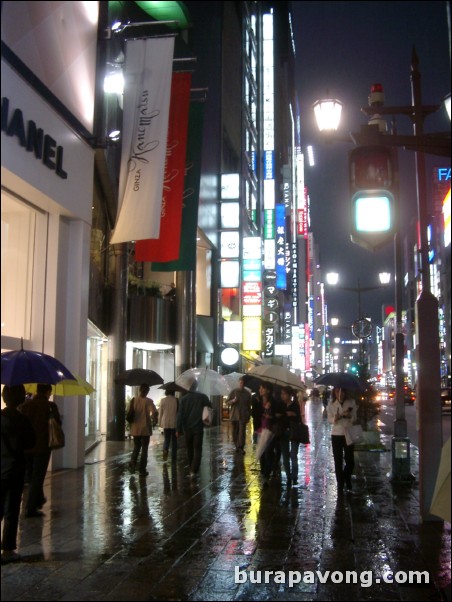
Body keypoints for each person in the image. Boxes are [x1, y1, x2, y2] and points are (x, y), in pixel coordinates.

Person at [1, 385, 36, 564]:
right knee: (12, 510)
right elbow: (31, 443)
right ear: (21, 398)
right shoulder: (23, 420)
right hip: (15, 470)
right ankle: (7, 550)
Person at [20, 383, 62, 517]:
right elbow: (58, 423)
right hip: (42, 446)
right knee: (38, 476)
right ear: (47, 391)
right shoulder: (50, 406)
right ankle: (30, 507)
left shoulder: (26, 406)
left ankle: (39, 499)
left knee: (32, 475)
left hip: (27, 447)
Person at [176, 381, 212, 478]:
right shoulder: (202, 397)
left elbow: (180, 415)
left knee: (189, 449)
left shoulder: (183, 399)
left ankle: (192, 467)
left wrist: (178, 429)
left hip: (187, 429)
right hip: (198, 428)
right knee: (197, 449)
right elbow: (210, 405)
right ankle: (194, 470)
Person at [327, 387, 357, 493]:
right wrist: (335, 418)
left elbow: (355, 418)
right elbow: (329, 419)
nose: (340, 393)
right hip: (336, 434)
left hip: (348, 434)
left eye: (342, 390)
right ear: (334, 393)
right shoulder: (331, 404)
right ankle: (340, 483)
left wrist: (349, 416)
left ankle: (346, 477)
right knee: (338, 460)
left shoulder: (351, 403)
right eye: (337, 391)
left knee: (350, 460)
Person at [128, 384, 157, 476]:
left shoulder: (133, 400)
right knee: (144, 448)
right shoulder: (149, 401)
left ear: (140, 390)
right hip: (145, 429)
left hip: (135, 428)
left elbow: (128, 412)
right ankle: (142, 469)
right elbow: (155, 412)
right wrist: (154, 419)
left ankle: (133, 463)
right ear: (147, 391)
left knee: (137, 446)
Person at [280, 386, 302, 488]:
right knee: (285, 456)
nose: (282, 396)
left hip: (294, 433)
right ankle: (288, 476)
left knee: (293, 455)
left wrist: (292, 414)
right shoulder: (281, 405)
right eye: (282, 394)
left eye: (284, 394)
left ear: (289, 395)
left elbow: (299, 419)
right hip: (283, 433)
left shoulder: (295, 405)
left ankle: (294, 477)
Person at [226, 377, 252, 453]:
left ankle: (240, 447)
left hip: (243, 415)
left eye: (243, 383)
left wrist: (249, 416)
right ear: (238, 383)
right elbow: (227, 402)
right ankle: (236, 445)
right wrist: (233, 401)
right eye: (240, 382)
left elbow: (249, 406)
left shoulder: (247, 394)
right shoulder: (234, 392)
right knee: (234, 432)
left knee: (241, 432)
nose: (241, 384)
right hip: (234, 415)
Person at [159, 388, 178, 463]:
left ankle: (165, 449)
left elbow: (160, 413)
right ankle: (174, 457)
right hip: (174, 422)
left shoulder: (163, 400)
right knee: (174, 440)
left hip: (165, 422)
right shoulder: (176, 400)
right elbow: (178, 412)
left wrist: (160, 423)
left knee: (166, 439)